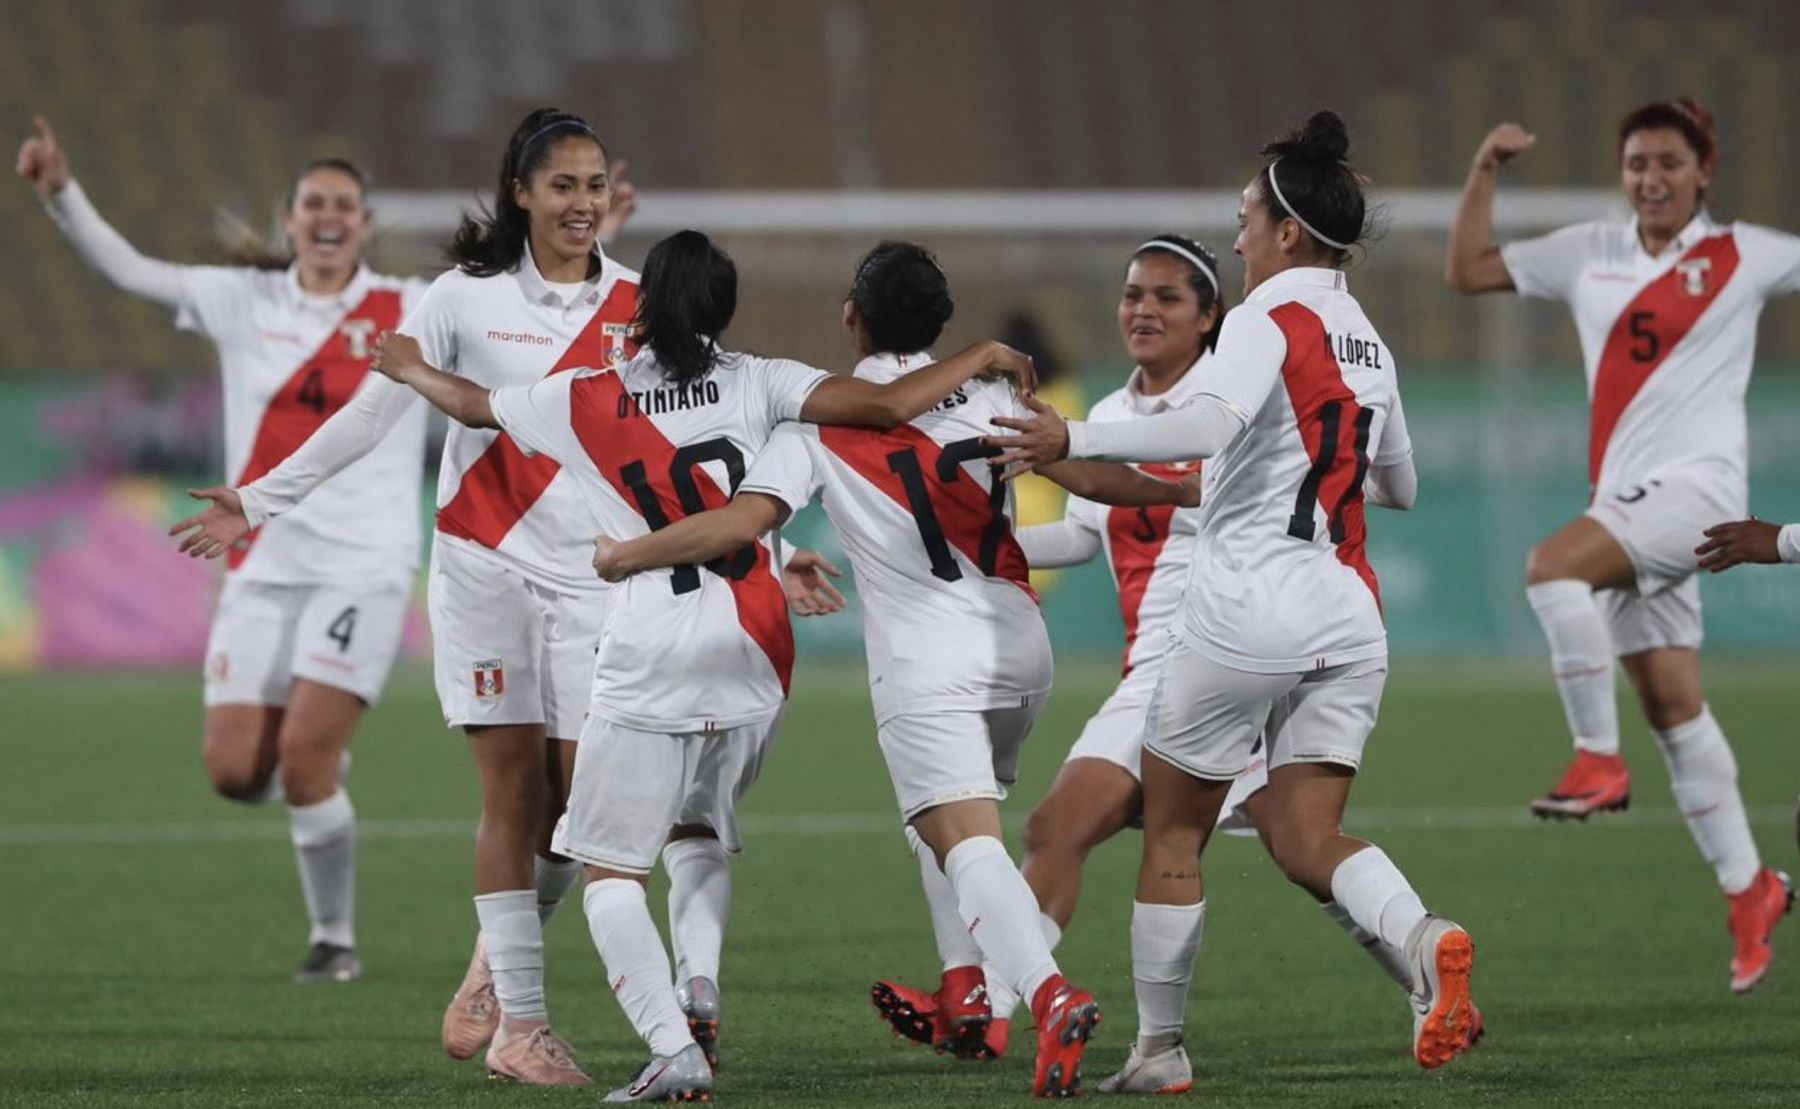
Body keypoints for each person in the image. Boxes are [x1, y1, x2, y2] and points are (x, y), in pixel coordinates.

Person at [371, 230, 1047, 1100]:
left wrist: (407, 368)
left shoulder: (585, 396)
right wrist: (983, 352)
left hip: (651, 657)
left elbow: (471, 406)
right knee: (700, 833)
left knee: (611, 875)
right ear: (726, 310)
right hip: (756, 659)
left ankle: (674, 1044)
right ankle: (701, 981)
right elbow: (883, 407)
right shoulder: (765, 379)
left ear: (642, 308)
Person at [590, 239, 1202, 1097]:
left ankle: (1041, 992)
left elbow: (737, 524)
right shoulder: (989, 392)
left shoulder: (819, 424)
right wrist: (1175, 491)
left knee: (965, 835)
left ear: (851, 318)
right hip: (1021, 645)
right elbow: (1088, 475)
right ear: (943, 323)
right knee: (941, 826)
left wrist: (628, 554)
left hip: (929, 661)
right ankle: (964, 985)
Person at [876, 234, 1478, 1090]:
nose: (1143, 310)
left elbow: (1167, 484)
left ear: (1210, 318)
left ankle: (1013, 1008)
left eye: (1167, 297)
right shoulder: (1137, 402)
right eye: (1132, 294)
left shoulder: (1227, 392)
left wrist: (1070, 451)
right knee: (1299, 842)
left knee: (1067, 826)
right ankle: (1427, 963)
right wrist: (973, 550)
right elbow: (1086, 534)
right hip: (1256, 648)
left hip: (1203, 652)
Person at [169, 107, 640, 1084]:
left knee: (583, 803)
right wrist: (257, 500)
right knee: (514, 793)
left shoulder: (640, 301)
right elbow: (368, 415)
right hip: (484, 568)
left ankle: (489, 962)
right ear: (521, 191)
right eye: (563, 185)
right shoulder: (460, 300)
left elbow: (679, 435)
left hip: (597, 575)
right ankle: (521, 1025)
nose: (582, 203)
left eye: (595, 185)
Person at [17, 115, 436, 985]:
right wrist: (62, 195)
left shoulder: (410, 306)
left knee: (305, 759)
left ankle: (335, 941)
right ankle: (311, 773)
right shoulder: (245, 300)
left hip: (365, 562)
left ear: (363, 224)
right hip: (262, 559)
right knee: (235, 772)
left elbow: (515, 313)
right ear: (289, 220)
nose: (328, 216)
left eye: (345, 205)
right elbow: (129, 270)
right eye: (313, 202)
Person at [1446, 98, 1797, 993]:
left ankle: (1596, 758)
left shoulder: (1747, 254)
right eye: (1637, 162)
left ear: (1703, 171)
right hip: (1630, 499)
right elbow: (1469, 270)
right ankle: (1750, 886)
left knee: (1551, 566)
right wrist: (1484, 168)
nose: (1651, 178)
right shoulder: (1589, 251)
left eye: (1669, 163)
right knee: (1675, 705)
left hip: (1700, 494)